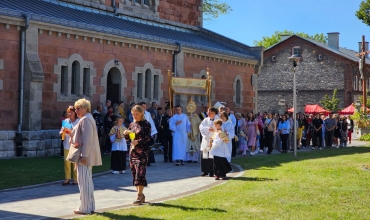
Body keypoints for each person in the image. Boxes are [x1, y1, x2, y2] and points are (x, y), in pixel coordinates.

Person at [68, 98, 102, 215]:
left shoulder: (86, 119)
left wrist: (84, 155)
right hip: (85, 155)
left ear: (85, 108)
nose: (76, 110)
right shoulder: (87, 118)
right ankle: (89, 206)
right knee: (86, 181)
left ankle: (85, 208)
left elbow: (87, 139)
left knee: (84, 182)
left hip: (84, 156)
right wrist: (70, 133)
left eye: (78, 108)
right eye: (75, 108)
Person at [124, 105, 151, 205]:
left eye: (137, 114)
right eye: (133, 114)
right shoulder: (132, 124)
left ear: (141, 113)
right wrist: (126, 134)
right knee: (134, 173)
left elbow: (148, 137)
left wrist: (138, 142)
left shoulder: (146, 124)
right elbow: (129, 139)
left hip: (142, 152)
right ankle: (141, 194)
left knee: (140, 173)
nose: (135, 116)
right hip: (133, 152)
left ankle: (139, 195)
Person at [60, 106, 79, 186]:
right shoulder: (66, 121)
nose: (70, 113)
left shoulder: (78, 121)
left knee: (74, 162)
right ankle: (67, 179)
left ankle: (76, 179)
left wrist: (71, 131)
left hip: (75, 145)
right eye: (68, 112)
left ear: (75, 113)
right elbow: (61, 132)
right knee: (66, 162)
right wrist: (62, 132)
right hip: (67, 145)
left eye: (71, 112)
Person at [199, 107, 219, 177]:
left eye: (210, 112)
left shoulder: (217, 120)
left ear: (214, 113)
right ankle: (205, 171)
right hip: (206, 139)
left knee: (212, 155)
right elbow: (201, 127)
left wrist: (214, 129)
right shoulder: (205, 120)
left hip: (213, 140)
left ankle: (211, 171)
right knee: (204, 155)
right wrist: (208, 129)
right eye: (208, 112)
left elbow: (219, 128)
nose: (208, 113)